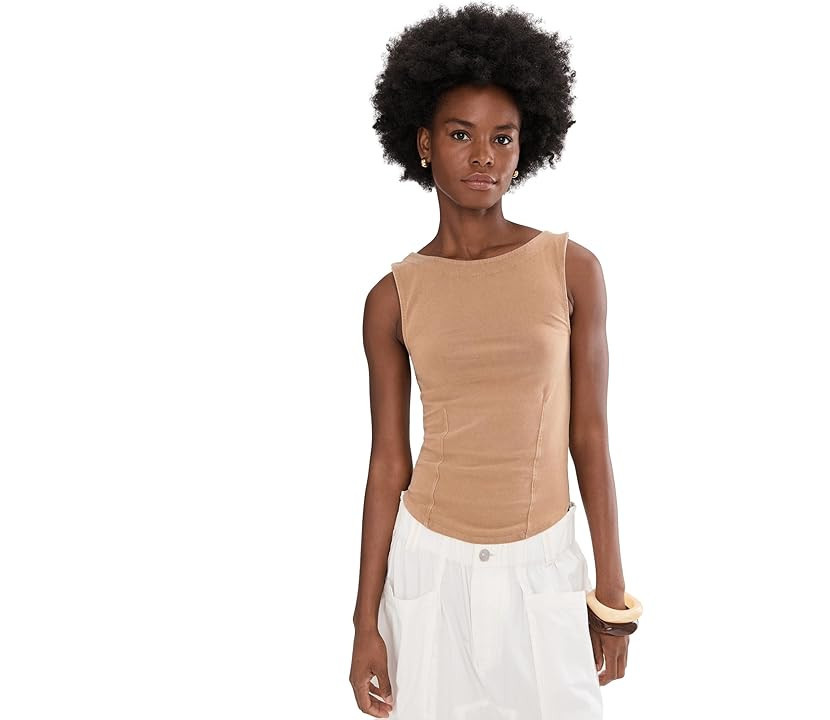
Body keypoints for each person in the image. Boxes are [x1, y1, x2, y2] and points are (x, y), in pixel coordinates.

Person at [350, 4, 641, 718]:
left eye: (502, 138)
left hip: (543, 565)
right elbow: (389, 461)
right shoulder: (392, 297)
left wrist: (611, 593)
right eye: (461, 134)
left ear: (524, 146)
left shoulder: (571, 269)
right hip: (428, 565)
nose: (484, 155)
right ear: (424, 144)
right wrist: (363, 622)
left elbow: (590, 435)